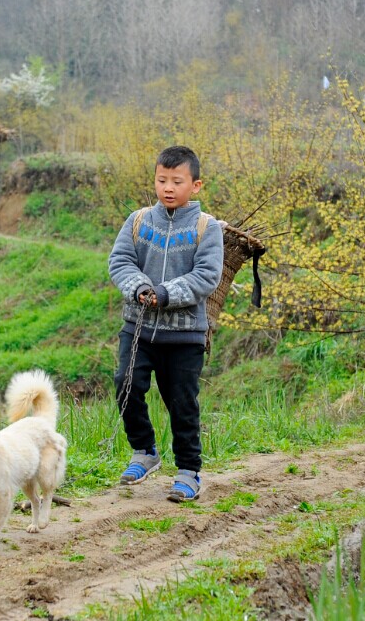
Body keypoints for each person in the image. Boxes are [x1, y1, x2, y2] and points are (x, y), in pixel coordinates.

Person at [108, 145, 224, 502]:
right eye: (162, 180)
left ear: (196, 185)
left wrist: (165, 292)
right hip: (138, 328)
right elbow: (120, 261)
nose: (168, 188)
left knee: (182, 402)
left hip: (185, 335)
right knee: (126, 386)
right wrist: (141, 287)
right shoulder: (139, 221)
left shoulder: (207, 229)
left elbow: (207, 276)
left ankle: (189, 471)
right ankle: (144, 451)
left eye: (177, 181)